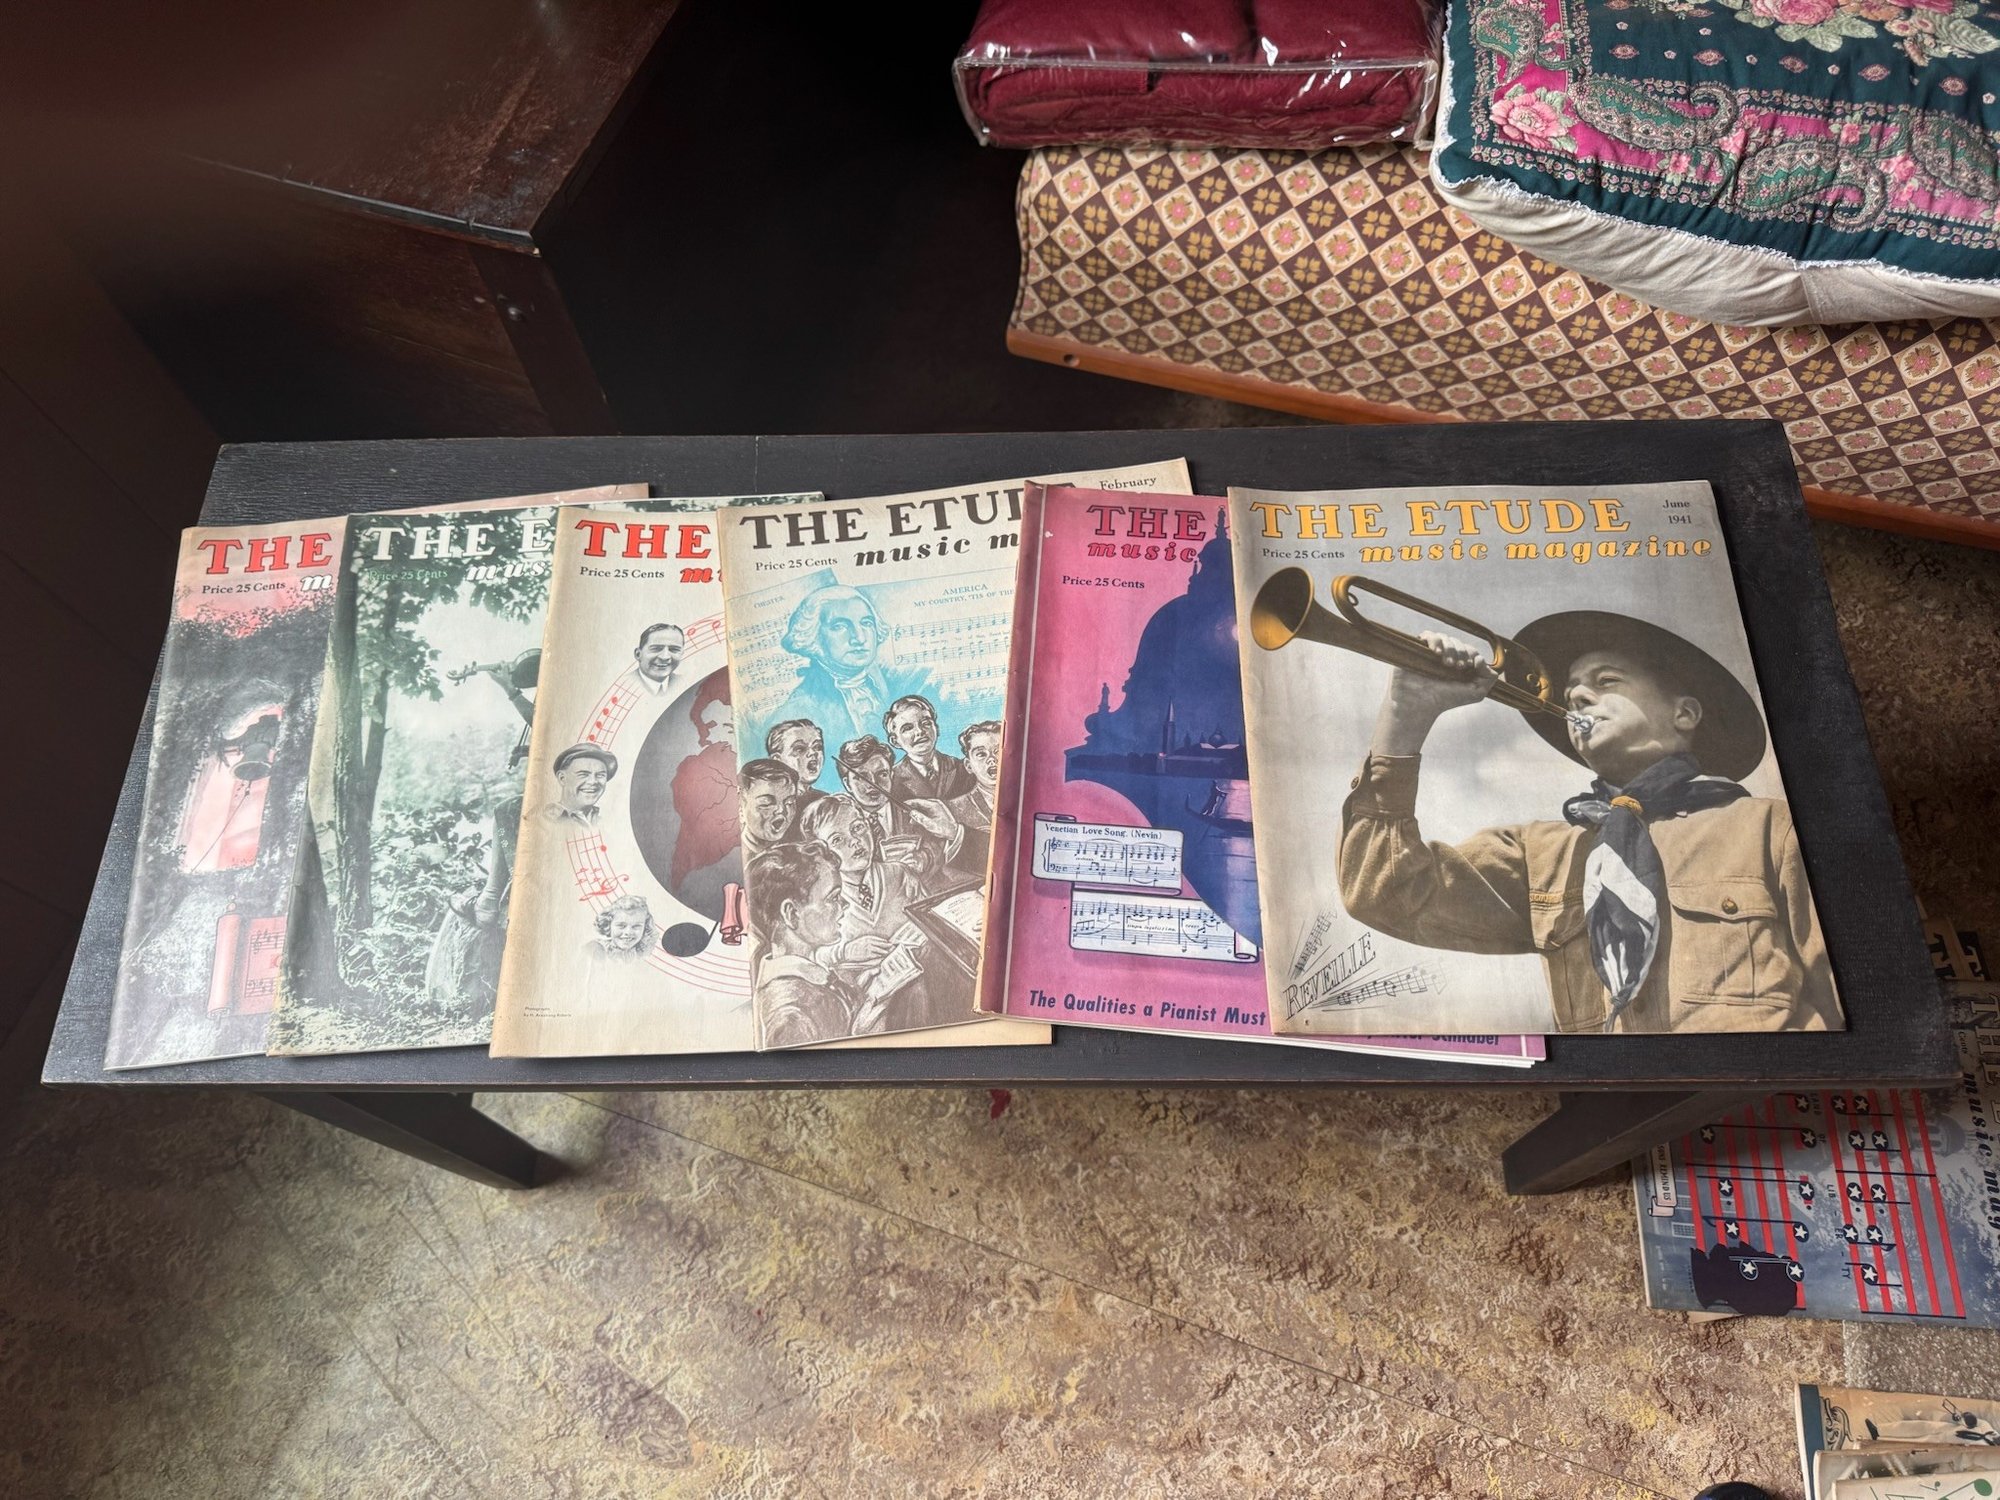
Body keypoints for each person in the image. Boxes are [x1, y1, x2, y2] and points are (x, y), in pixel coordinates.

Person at [1337, 609, 1841, 1035]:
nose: (1576, 697)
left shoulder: (1770, 827)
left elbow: (1842, 995)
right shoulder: (1540, 853)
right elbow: (1385, 894)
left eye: (1605, 681)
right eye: (1571, 691)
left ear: (1684, 714)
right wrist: (1404, 719)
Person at [799, 795, 931, 1028]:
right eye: (838, 839)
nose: (855, 841)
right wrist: (845, 952)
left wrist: (924, 930)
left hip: (917, 993)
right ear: (820, 854)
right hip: (859, 1010)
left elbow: (935, 921)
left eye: (858, 828)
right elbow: (808, 958)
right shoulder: (819, 900)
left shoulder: (900, 874)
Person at [750, 842, 885, 1048]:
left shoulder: (809, 980)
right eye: (833, 897)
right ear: (792, 913)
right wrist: (859, 1036)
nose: (845, 904)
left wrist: (858, 994)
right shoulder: (789, 1016)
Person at [770, 584, 941, 747]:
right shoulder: (798, 710)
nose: (859, 638)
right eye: (840, 626)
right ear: (813, 636)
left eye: (866, 623)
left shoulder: (901, 683)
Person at [833, 735, 957, 883]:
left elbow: (937, 845)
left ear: (891, 776)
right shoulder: (840, 824)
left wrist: (923, 858)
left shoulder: (913, 810)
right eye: (862, 777)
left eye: (882, 774)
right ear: (847, 784)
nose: (873, 783)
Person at [667, 673, 739, 892]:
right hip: (704, 869)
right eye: (712, 725)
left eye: (731, 725)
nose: (723, 732)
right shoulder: (694, 768)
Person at [884, 695, 974, 803]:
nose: (920, 731)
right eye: (908, 728)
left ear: (937, 729)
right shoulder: (891, 779)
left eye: (926, 723)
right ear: (895, 741)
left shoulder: (961, 768)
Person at [945, 720, 1001, 881]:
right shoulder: (953, 809)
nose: (992, 759)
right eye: (981, 754)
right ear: (969, 766)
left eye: (998, 751)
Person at [766, 718, 828, 831]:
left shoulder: (826, 801)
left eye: (817, 747)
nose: (813, 753)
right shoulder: (768, 804)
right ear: (777, 760)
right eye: (800, 749)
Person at [737, 759, 801, 863]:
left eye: (789, 802)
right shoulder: (733, 857)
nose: (781, 810)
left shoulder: (800, 855)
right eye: (766, 803)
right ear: (740, 808)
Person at [541, 745, 616, 826]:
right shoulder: (545, 820)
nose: (593, 781)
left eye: (600, 775)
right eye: (583, 774)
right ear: (562, 778)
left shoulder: (605, 823)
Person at [618, 622, 685, 698]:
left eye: (674, 649)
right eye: (656, 649)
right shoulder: (622, 687)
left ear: (682, 653)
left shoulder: (685, 683)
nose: (664, 657)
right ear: (638, 654)